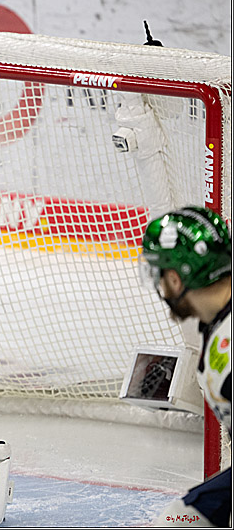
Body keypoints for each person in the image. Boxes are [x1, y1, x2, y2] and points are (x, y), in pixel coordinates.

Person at [141, 205, 231, 527]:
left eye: (162, 274)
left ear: (177, 278)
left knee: (178, 521)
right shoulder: (218, 326)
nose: (161, 286)